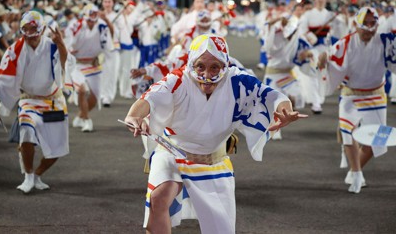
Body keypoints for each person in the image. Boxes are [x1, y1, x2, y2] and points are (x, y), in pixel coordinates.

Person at [124, 34, 307, 233]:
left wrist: (285, 109)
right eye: (200, 66)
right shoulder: (178, 79)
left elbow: (271, 95)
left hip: (213, 160)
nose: (207, 74)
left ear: (225, 65)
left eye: (215, 67)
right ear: (192, 63)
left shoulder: (237, 81)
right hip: (172, 152)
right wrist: (134, 116)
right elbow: (149, 98)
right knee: (159, 198)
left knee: (221, 229)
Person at [317, 7, 396, 194]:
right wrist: (323, 61)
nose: (369, 28)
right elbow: (330, 60)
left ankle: (355, 169)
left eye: (372, 23)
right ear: (356, 24)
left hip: (376, 95)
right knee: (348, 132)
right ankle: (358, 173)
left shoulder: (386, 41)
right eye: (365, 23)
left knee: (376, 141)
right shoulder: (345, 44)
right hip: (351, 94)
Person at [0, 10, 74, 193]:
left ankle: (38, 174)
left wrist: (61, 43)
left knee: (58, 148)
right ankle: (28, 175)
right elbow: (2, 76)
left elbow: (66, 64)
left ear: (42, 29)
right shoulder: (15, 49)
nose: (30, 34)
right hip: (29, 100)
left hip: (53, 101)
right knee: (27, 133)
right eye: (26, 29)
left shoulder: (52, 46)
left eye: (34, 29)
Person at [65, 3, 114, 132]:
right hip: (77, 64)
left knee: (95, 97)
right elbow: (68, 45)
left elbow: (108, 45)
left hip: (93, 65)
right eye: (90, 16)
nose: (92, 20)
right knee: (81, 90)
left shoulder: (102, 26)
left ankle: (80, 116)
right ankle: (87, 120)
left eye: (94, 15)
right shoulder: (75, 26)